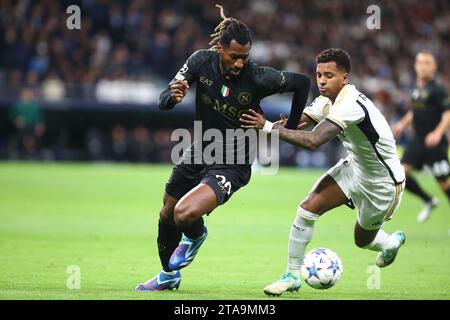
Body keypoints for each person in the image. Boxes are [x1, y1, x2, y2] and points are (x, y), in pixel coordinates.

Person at [135, 5, 311, 291]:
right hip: (199, 149)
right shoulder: (199, 62)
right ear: (219, 48)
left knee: (184, 214)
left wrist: (288, 128)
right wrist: (173, 97)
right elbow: (164, 99)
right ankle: (168, 276)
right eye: (234, 57)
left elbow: (301, 83)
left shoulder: (257, 77)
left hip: (233, 161)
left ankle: (195, 236)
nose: (240, 64)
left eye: (245, 58)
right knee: (166, 212)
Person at [240, 48, 406, 296]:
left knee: (363, 240)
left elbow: (313, 141)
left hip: (382, 183)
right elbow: (298, 125)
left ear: (345, 78)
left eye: (329, 75)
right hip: (355, 168)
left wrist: (266, 127)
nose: (322, 80)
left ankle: (391, 242)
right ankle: (292, 276)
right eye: (319, 74)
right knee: (306, 209)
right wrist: (271, 125)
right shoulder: (325, 101)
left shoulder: (351, 103)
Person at [392, 51, 450, 223]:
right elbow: (415, 111)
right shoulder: (416, 89)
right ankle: (428, 200)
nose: (423, 66)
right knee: (400, 175)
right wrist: (402, 124)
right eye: (420, 63)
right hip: (417, 140)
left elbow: (448, 114)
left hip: (435, 143)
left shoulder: (438, 90)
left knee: (444, 183)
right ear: (415, 66)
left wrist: (438, 133)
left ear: (434, 67)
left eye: (427, 63)